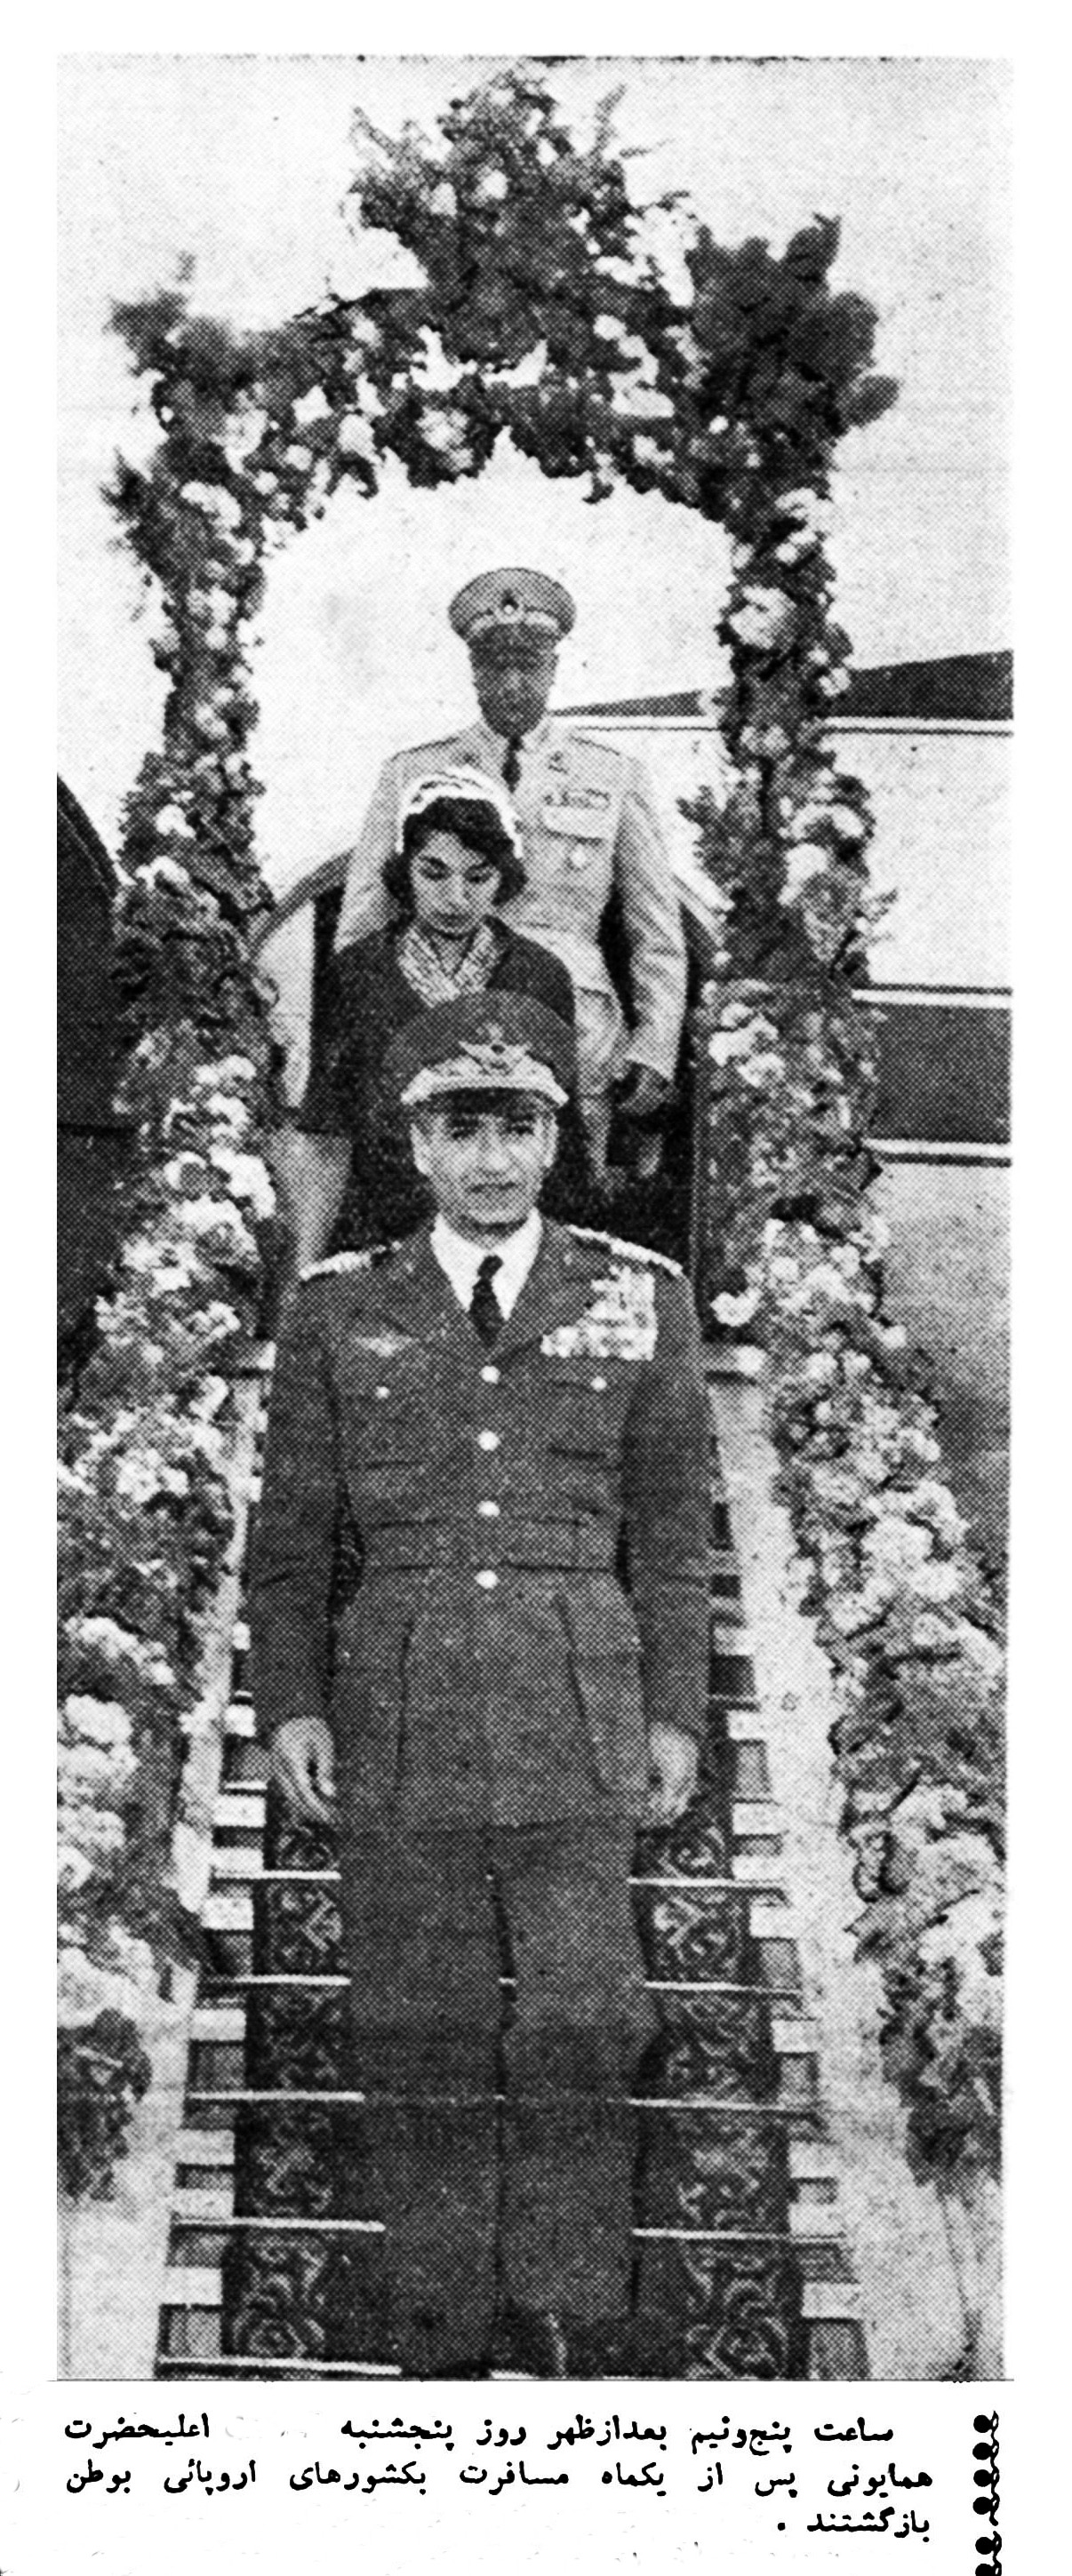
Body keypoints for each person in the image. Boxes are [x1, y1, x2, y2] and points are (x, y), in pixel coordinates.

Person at [249, 991, 711, 2379]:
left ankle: (564, 2305)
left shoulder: (638, 1293)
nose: (491, 1158)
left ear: (555, 1136)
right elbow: (291, 1541)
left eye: (516, 1126)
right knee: (419, 2015)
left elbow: (668, 1534)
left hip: (577, 1704)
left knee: (583, 2012)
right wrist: (293, 1700)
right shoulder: (339, 1306)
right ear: (415, 1143)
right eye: (461, 1129)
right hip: (400, 1711)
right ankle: (440, 2317)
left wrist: (674, 1711)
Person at [332, 567, 689, 1173]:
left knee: (565, 1184)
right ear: (475, 671)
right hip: (437, 1016)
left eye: (530, 667)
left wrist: (654, 1048)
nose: (513, 685)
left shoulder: (611, 775)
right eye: (497, 668)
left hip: (575, 1027)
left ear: (554, 669)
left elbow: (655, 931)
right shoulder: (411, 773)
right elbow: (364, 921)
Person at [286, 768, 590, 1269]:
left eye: (478, 877)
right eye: (434, 873)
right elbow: (327, 1138)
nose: (455, 898)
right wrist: (305, 1275)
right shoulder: (356, 973)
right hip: (381, 1239)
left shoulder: (541, 975)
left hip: (506, 1239)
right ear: (404, 870)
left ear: (504, 877)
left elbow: (561, 1144)